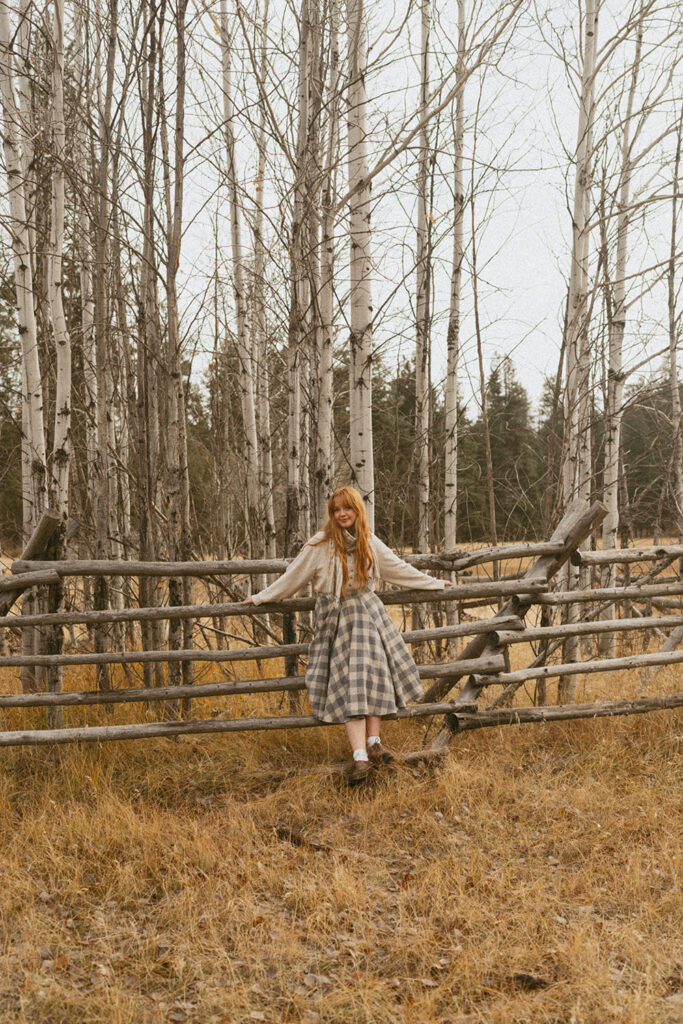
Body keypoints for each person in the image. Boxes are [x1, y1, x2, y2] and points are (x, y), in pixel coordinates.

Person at [244, 485, 451, 784]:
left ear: (357, 511)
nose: (342, 514)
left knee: (374, 677)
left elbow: (398, 568)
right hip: (337, 620)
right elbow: (292, 578)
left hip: (368, 616)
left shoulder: (369, 542)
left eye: (347, 508)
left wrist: (432, 583)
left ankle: (374, 744)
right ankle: (360, 759)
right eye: (336, 510)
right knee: (350, 684)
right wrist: (262, 596)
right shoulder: (320, 546)